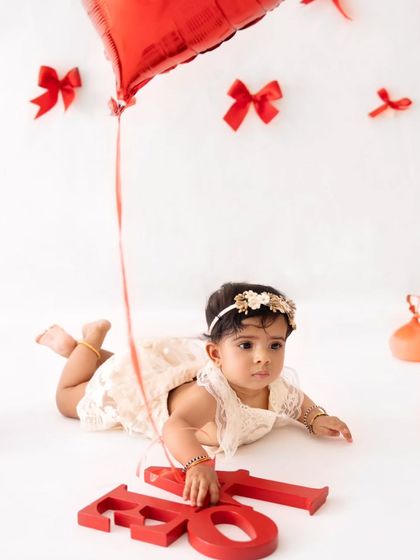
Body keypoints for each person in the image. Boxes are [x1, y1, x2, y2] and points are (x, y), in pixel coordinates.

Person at [36, 282, 353, 508]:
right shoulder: (211, 396)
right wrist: (197, 463)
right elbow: (176, 427)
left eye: (275, 345)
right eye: (246, 345)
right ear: (216, 354)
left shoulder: (273, 385)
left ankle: (89, 354)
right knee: (70, 399)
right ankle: (87, 342)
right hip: (148, 396)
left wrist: (316, 417)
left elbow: (297, 402)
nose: (263, 358)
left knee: (123, 365)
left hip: (169, 375)